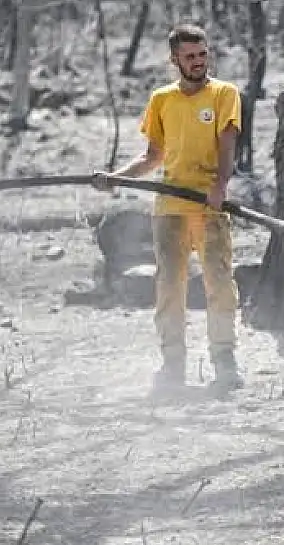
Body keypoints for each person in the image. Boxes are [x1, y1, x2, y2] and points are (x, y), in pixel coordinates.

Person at [94, 23, 244, 395]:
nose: (198, 62)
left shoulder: (225, 94)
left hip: (209, 205)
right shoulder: (162, 99)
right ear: (175, 59)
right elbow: (152, 156)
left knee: (219, 283)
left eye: (203, 54)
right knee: (169, 287)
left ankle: (224, 361)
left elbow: (228, 147)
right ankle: (172, 364)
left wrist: (219, 187)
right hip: (169, 207)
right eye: (190, 56)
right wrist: (117, 177)